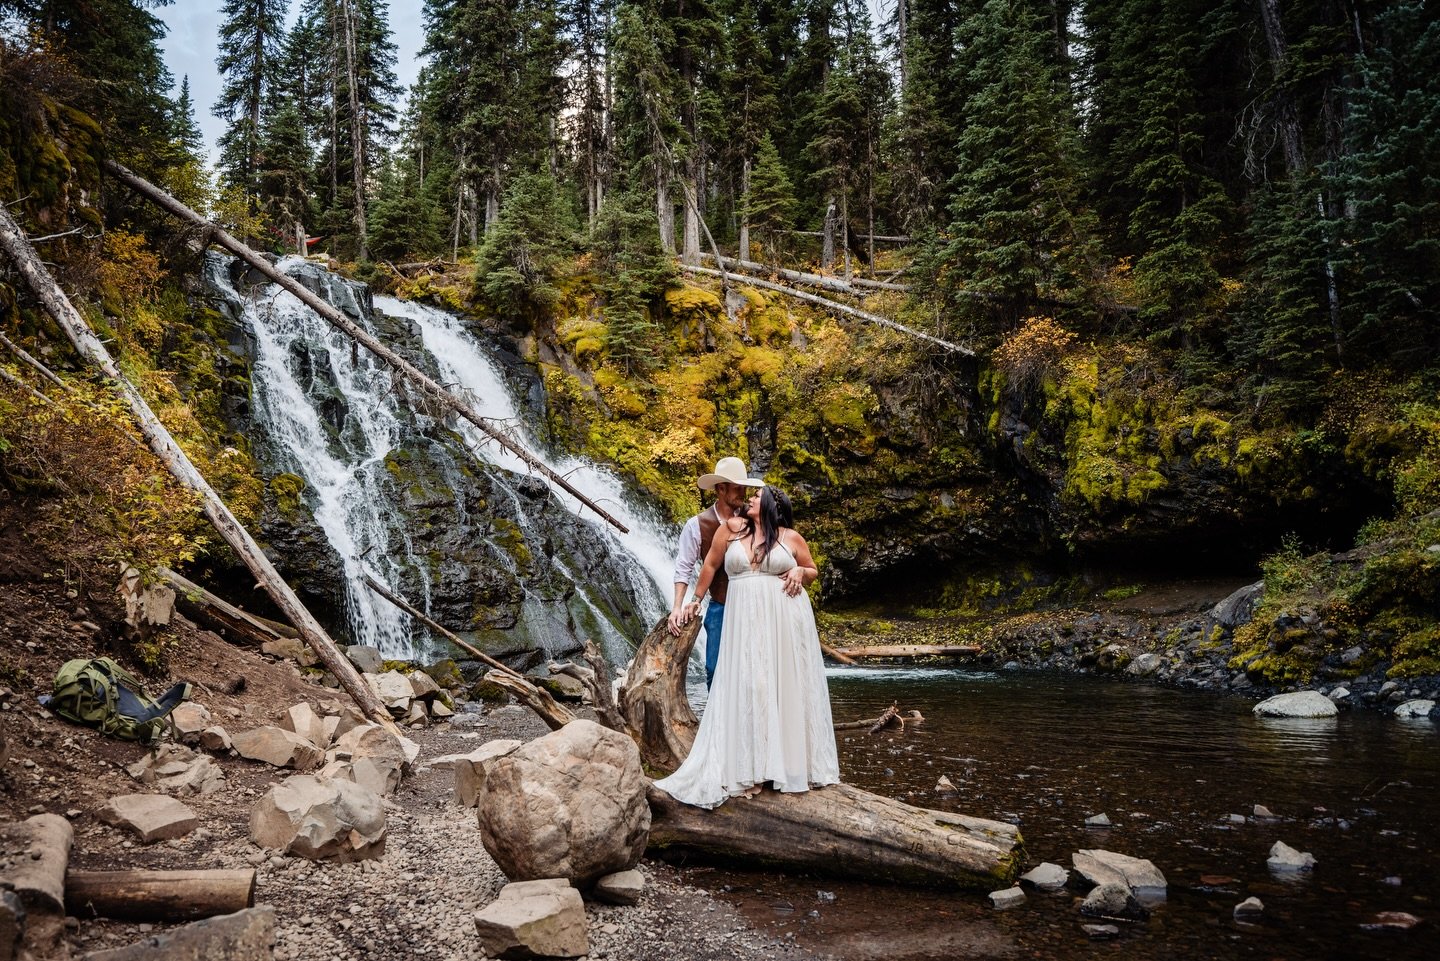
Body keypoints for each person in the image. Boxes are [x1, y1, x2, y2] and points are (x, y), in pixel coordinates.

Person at [653, 485, 840, 809]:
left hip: (782, 620)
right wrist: (694, 601)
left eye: (755, 497)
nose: (749, 499)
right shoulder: (731, 530)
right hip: (742, 619)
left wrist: (798, 570)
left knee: (780, 688)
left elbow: (811, 571)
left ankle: (783, 766)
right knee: (748, 686)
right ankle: (746, 768)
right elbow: (710, 566)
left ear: (769, 506)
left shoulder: (790, 537)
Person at [668, 456, 765, 686]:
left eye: (744, 487)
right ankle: (718, 721)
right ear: (721, 489)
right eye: (737, 487)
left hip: (754, 605)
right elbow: (684, 567)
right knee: (714, 669)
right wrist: (677, 607)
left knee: (753, 668)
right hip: (719, 606)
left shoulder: (755, 517)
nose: (743, 493)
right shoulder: (697, 525)